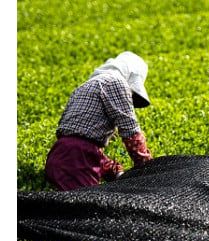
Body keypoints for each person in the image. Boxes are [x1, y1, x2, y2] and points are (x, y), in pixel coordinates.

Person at [44, 51, 153, 191]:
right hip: (77, 160)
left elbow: (81, 142)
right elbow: (130, 131)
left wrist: (115, 171)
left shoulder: (84, 87)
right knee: (86, 208)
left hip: (58, 155)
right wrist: (147, 168)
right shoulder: (116, 82)